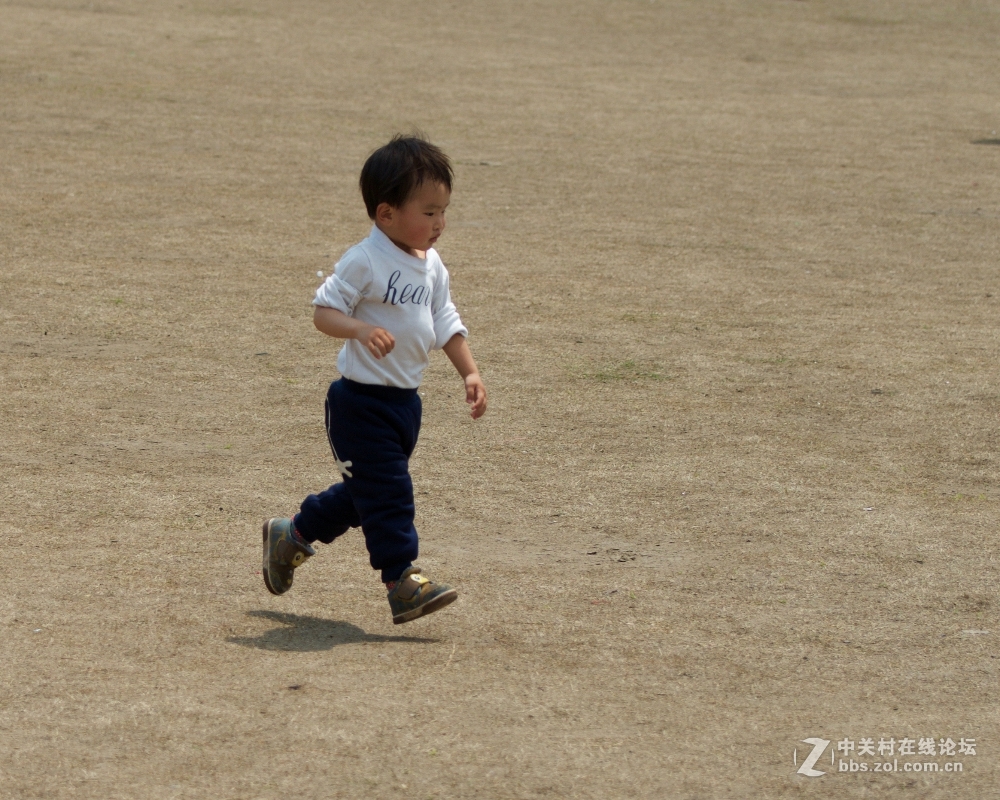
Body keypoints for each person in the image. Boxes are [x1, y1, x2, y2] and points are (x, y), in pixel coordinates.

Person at [261, 135, 487, 624]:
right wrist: (360, 329)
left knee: (370, 490)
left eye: (443, 211)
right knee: (390, 490)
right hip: (359, 403)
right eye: (428, 212)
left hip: (405, 404)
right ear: (386, 214)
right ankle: (401, 579)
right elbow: (324, 313)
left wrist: (469, 371)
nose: (439, 223)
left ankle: (293, 534)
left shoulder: (432, 266)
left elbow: (445, 318)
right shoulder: (365, 260)